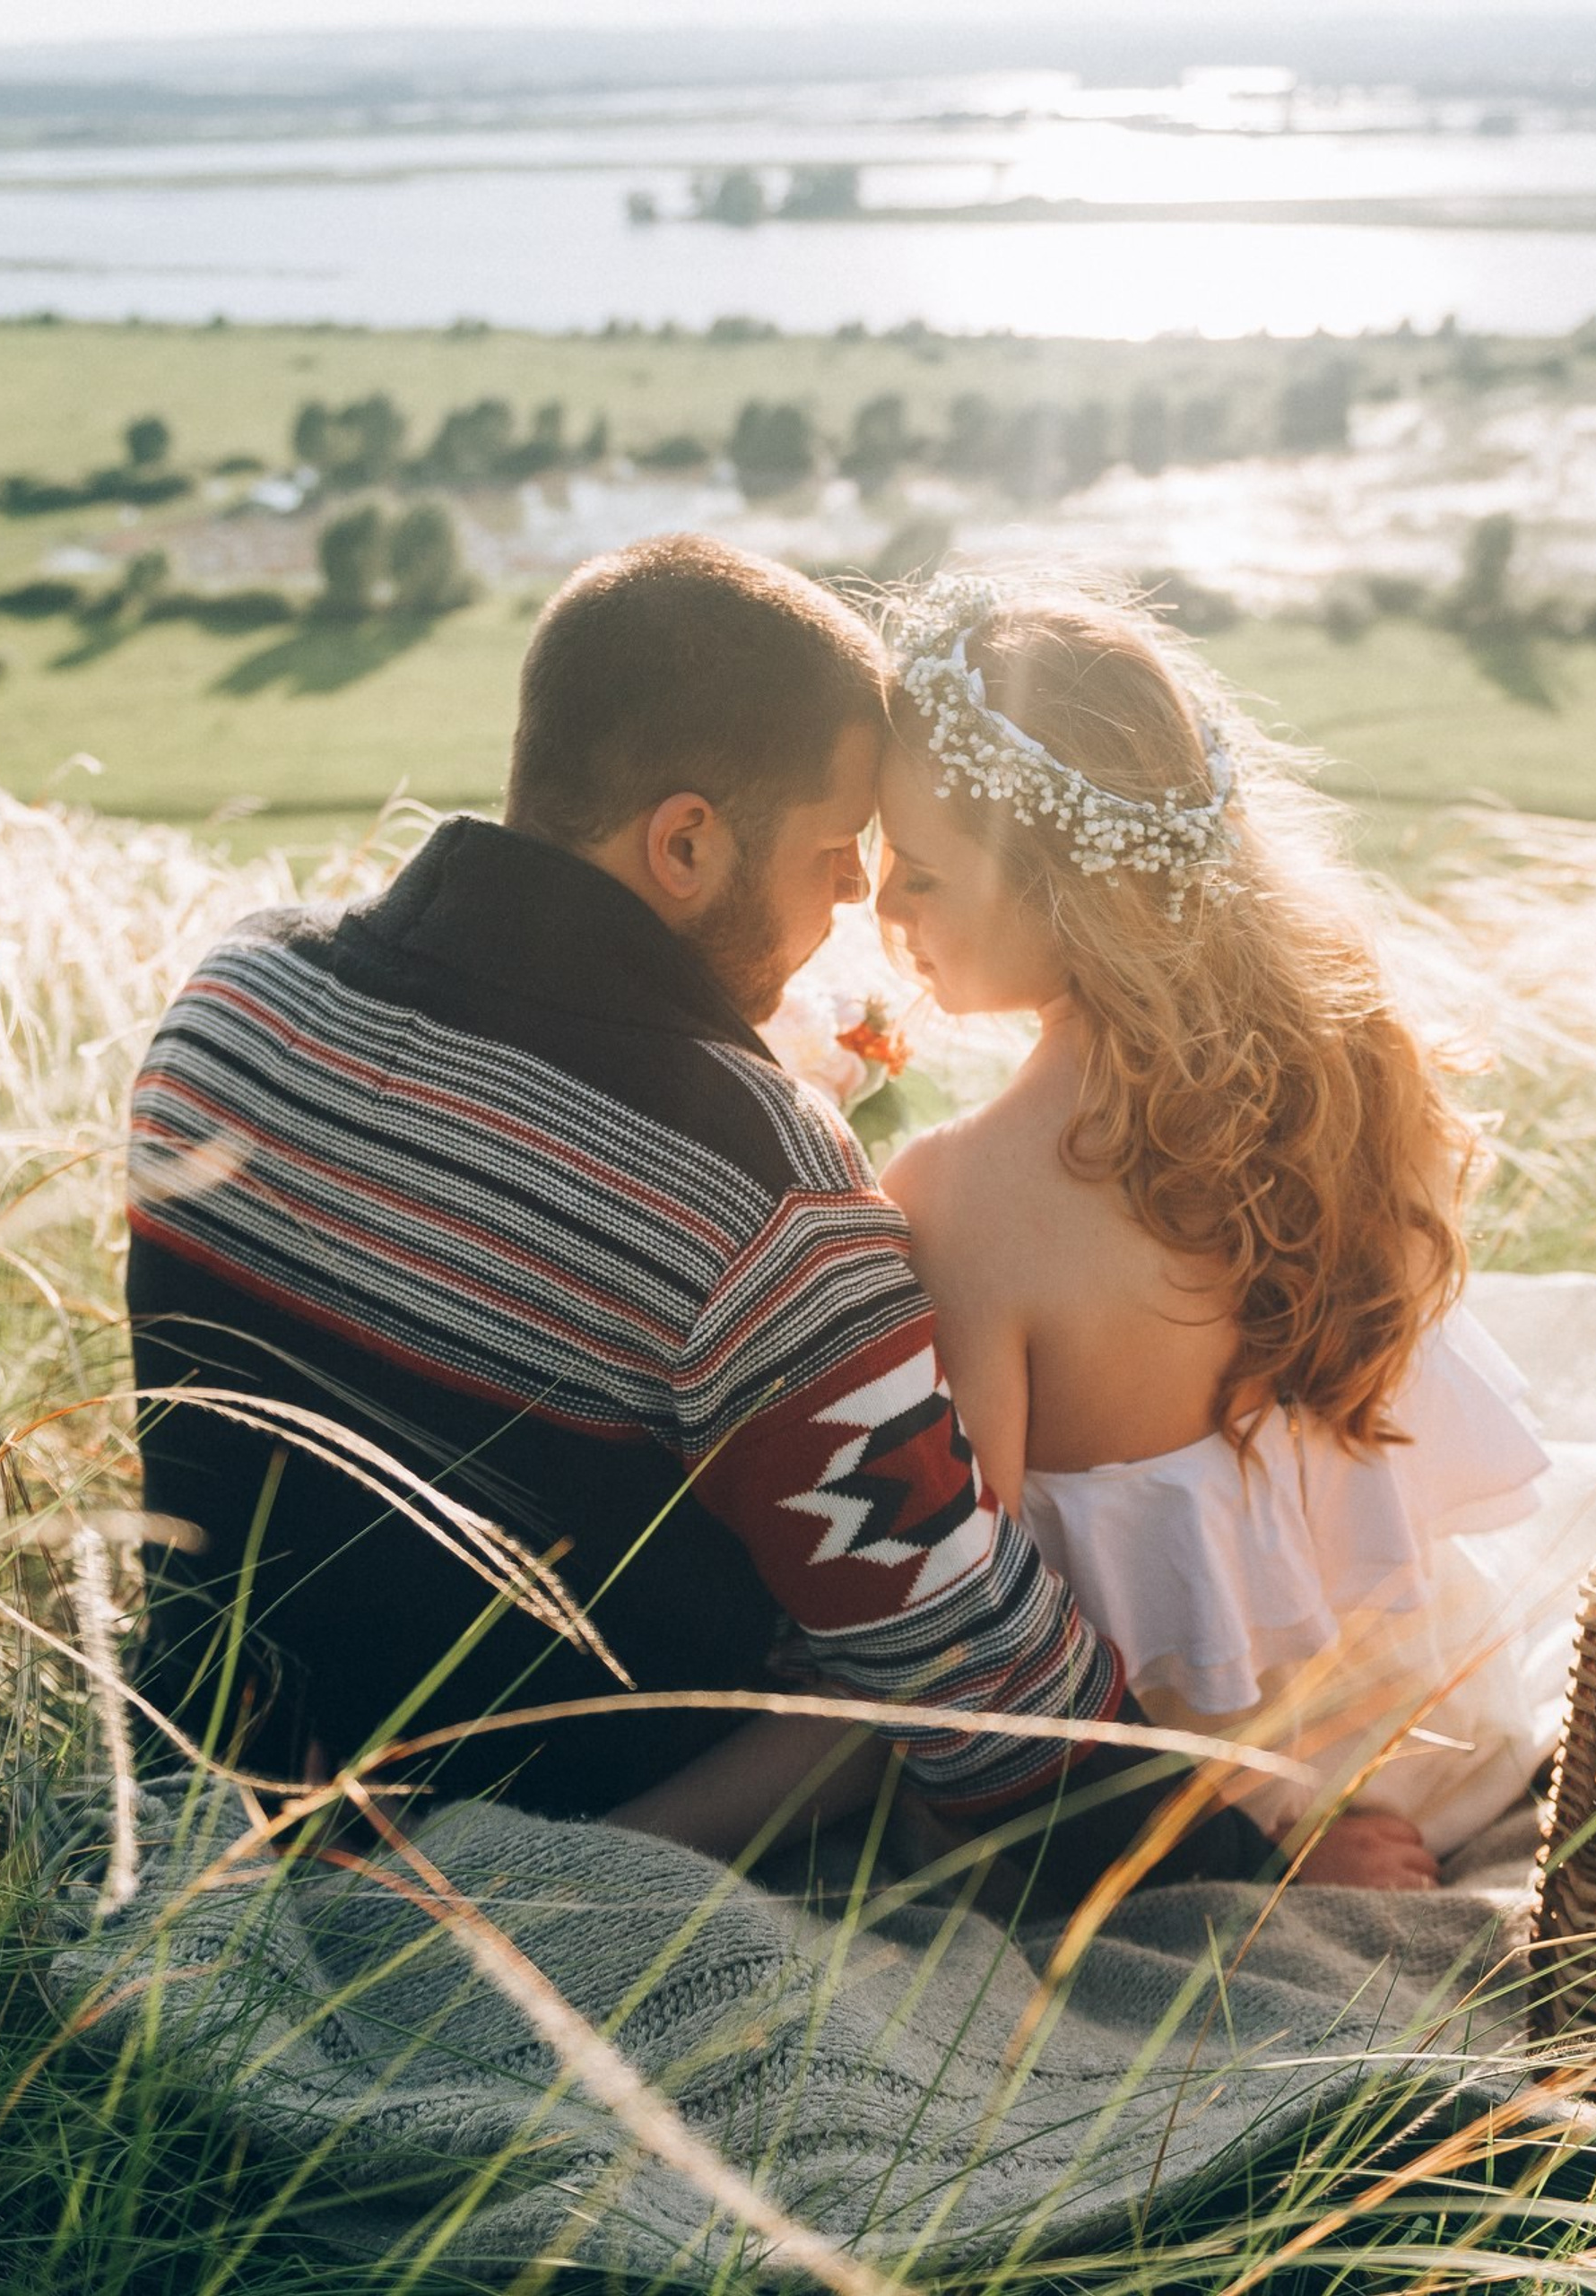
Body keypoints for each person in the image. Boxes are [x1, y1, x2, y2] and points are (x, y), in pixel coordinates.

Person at [123, 535, 1271, 1901]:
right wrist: (1262, 1861)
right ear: (686, 843)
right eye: (838, 853)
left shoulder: (232, 994)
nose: (859, 897)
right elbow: (968, 1664)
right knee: (868, 1697)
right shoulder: (753, 1190)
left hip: (202, 1768)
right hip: (542, 1849)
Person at [864, 574, 1569, 1890]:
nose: (881, 914)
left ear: (1059, 882)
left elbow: (975, 1646)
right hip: (1415, 1728)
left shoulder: (965, 1198)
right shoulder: (1342, 1072)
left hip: (1153, 1811)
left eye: (915, 872)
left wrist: (1256, 1867)